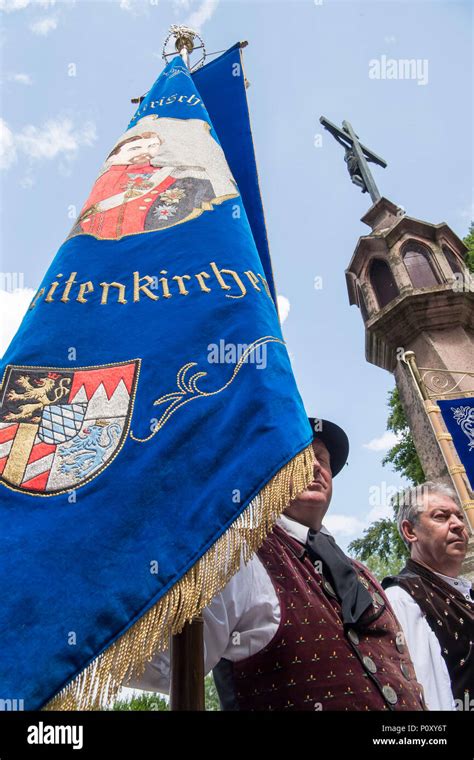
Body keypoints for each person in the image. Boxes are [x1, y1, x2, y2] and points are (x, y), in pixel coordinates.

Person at [125, 417, 426, 711]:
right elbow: (163, 665)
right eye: (297, 455)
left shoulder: (362, 574)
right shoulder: (239, 555)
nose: (315, 466)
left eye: (322, 458)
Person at [383, 482, 473, 711]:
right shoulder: (402, 599)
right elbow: (425, 699)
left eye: (460, 517)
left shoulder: (467, 592)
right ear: (410, 531)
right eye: (441, 517)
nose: (458, 525)